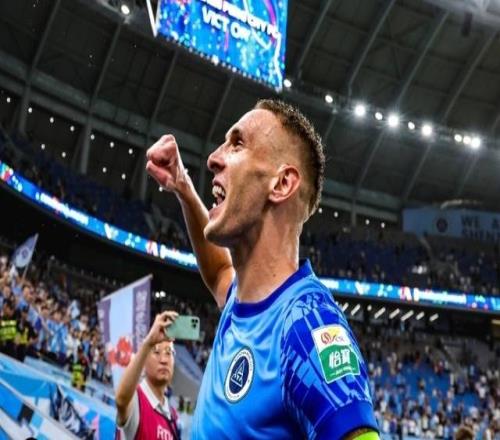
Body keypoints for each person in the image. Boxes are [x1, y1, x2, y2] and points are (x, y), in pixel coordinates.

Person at [146, 99, 379, 439]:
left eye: (237, 143)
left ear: (281, 184)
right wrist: (183, 186)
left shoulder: (306, 325)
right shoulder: (243, 300)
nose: (213, 158)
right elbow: (219, 272)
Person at [115, 311, 181, 440]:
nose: (164, 360)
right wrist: (148, 342)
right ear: (144, 360)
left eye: (169, 352)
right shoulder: (136, 399)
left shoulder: (173, 416)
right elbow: (121, 400)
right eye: (156, 352)